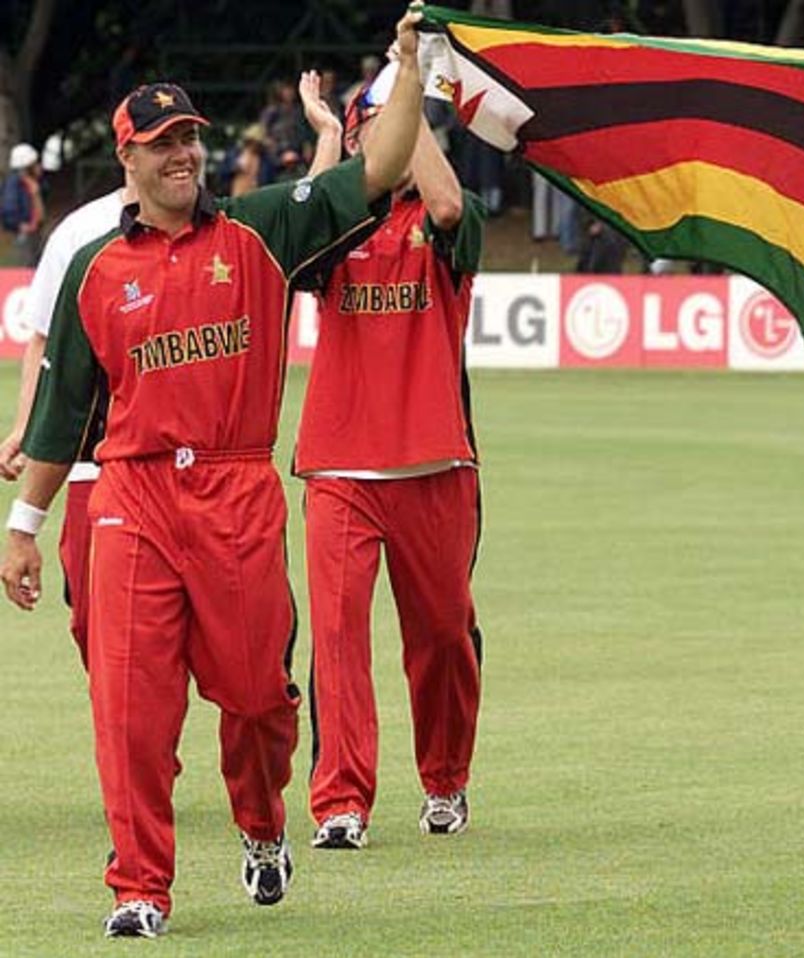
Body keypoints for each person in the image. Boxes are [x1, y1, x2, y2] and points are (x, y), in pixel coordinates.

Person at [0, 7, 426, 939]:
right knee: (128, 707)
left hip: (236, 494)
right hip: (134, 497)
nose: (184, 156)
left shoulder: (262, 230)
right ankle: (139, 888)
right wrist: (24, 529)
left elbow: (381, 170)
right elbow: (63, 414)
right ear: (130, 160)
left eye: (191, 137)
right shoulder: (96, 272)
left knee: (259, 698)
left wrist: (405, 66)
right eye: (164, 145)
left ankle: (262, 823)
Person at [294, 49, 486, 850]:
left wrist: (409, 87)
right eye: (378, 134)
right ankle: (341, 800)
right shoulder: (343, 231)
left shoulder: (445, 223)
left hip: (435, 463)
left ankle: (444, 780)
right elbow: (300, 224)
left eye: (397, 133)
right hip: (339, 463)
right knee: (338, 637)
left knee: (442, 636)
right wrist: (334, 136)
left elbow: (444, 204)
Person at [0, 172, 136, 665]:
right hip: (90, 463)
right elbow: (42, 338)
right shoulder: (81, 231)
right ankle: (129, 743)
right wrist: (24, 427)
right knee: (91, 621)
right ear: (126, 155)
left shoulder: (218, 227)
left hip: (185, 465)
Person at [2, 142, 45, 266]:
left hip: (33, 236)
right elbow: (8, 209)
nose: (39, 166)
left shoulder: (32, 184)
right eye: (35, 164)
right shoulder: (14, 184)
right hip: (22, 238)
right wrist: (20, 225)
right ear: (27, 166)